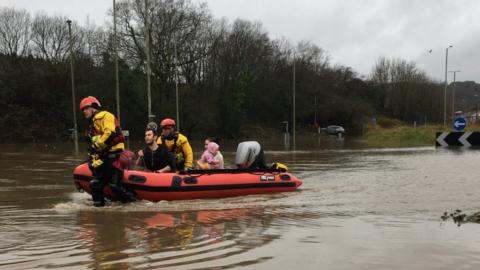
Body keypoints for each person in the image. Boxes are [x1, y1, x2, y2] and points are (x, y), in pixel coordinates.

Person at [80, 96, 135, 207]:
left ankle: (133, 204)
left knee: (115, 186)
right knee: (95, 185)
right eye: (83, 110)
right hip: (103, 157)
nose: (84, 112)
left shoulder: (105, 116)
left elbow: (109, 133)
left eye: (86, 108)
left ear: (93, 107)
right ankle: (99, 214)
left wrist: (96, 145)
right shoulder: (92, 125)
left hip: (114, 157)